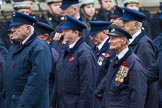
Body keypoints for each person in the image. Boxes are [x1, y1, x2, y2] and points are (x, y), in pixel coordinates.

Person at [3, 12, 52, 108]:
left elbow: (37, 82)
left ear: (28, 29)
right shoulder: (16, 45)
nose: (13, 30)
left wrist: (23, 105)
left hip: (28, 104)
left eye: (17, 27)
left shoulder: (40, 48)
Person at [50, 15, 98, 108]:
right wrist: (52, 103)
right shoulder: (66, 51)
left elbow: (87, 86)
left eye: (66, 31)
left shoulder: (85, 53)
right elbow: (58, 81)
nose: (62, 34)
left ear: (76, 33)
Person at [96, 24, 147, 108]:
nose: (109, 41)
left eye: (113, 38)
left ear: (123, 40)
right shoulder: (115, 60)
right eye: (109, 38)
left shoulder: (133, 63)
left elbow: (138, 96)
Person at [121, 7, 159, 108]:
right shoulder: (131, 42)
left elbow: (146, 76)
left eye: (126, 22)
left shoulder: (144, 45)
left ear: (136, 25)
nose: (122, 25)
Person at [89, 21, 115, 108]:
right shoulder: (93, 49)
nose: (92, 38)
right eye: (91, 35)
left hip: (103, 95)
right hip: (93, 94)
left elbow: (110, 73)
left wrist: (99, 90)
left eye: (95, 35)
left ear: (105, 32)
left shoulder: (111, 49)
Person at [35, 21, 59, 99]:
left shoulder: (50, 53)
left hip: (48, 96)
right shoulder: (41, 51)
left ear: (45, 37)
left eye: (36, 36)